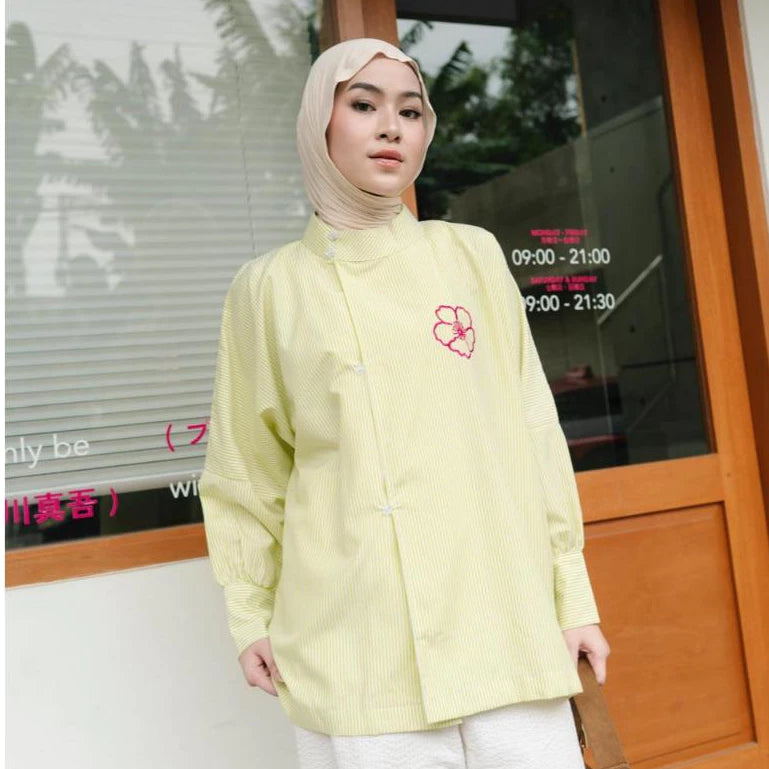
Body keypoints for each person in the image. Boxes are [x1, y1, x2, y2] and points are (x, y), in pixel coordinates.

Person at [198, 36, 611, 768]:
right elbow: (245, 474)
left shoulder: (470, 256)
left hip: (499, 616)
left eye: (411, 111)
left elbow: (531, 433)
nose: (392, 126)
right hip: (352, 636)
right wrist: (249, 614)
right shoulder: (268, 288)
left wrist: (571, 597)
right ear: (318, 125)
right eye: (363, 104)